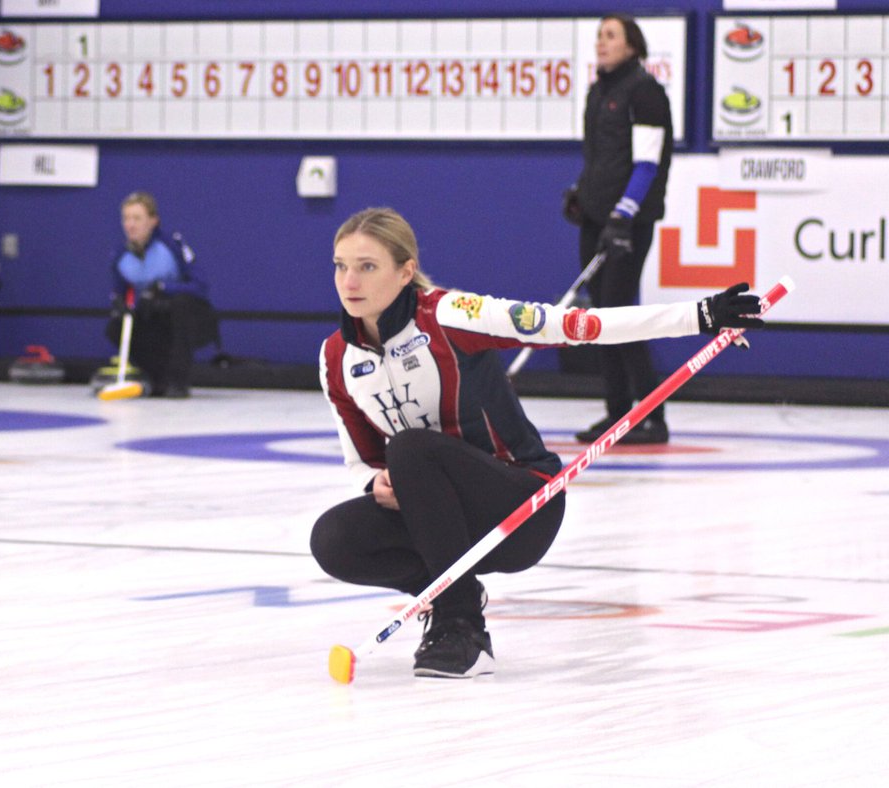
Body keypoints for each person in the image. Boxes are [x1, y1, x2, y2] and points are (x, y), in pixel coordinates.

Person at [310, 207, 762, 679]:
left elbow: (576, 327)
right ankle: (454, 597)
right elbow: (362, 460)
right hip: (439, 519)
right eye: (340, 266)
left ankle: (460, 623)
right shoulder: (336, 357)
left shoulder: (450, 314)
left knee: (410, 449)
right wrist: (377, 484)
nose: (349, 281)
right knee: (335, 539)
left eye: (367, 266)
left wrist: (700, 315)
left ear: (405, 272)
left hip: (522, 506)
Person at [563, 14, 673, 445]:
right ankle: (616, 415)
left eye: (610, 36)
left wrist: (624, 213)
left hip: (629, 222)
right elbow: (601, 157)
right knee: (600, 319)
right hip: (596, 218)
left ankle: (652, 418)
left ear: (632, 46)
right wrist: (583, 193)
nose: (600, 43)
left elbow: (647, 163)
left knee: (620, 315)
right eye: (598, 36)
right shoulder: (598, 91)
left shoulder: (645, 93)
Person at [105, 192, 217, 398]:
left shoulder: (171, 245)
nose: (130, 225)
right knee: (116, 326)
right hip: (155, 315)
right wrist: (118, 304)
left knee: (180, 306)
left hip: (190, 316)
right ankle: (156, 378)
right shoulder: (120, 255)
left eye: (137, 218)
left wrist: (163, 288)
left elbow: (201, 286)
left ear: (153, 221)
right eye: (126, 218)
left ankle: (178, 381)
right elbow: (119, 292)